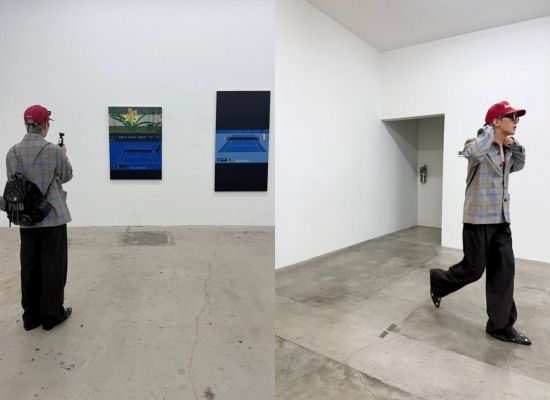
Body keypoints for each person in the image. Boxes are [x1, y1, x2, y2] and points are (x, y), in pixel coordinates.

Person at [429, 100, 531, 345]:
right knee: (473, 270)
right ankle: (439, 281)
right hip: (477, 220)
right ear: (496, 121)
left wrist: (513, 144)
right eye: (511, 117)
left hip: (502, 220)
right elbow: (473, 153)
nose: (516, 122)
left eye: (517, 118)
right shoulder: (476, 145)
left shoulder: (507, 150)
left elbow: (520, 164)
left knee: (504, 273)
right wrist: (488, 131)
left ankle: (500, 326)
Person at [5, 105, 73, 331]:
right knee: (53, 266)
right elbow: (67, 175)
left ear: (26, 124)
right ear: (44, 125)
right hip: (52, 216)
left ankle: (31, 316)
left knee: (30, 267)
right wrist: (64, 155)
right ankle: (51, 315)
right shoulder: (53, 150)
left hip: (26, 218)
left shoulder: (12, 153)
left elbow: (14, 185)